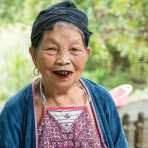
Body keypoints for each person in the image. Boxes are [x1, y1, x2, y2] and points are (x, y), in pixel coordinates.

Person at [0, 1, 128, 148]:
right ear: (34, 55)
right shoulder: (16, 110)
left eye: (74, 49)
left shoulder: (102, 99)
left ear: (87, 54)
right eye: (52, 49)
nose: (63, 60)